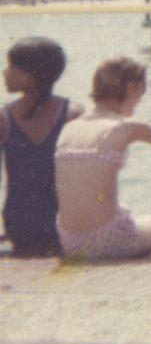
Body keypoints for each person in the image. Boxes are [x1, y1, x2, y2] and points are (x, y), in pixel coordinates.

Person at [55, 57, 151, 259]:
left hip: (70, 240)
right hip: (108, 240)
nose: (140, 100)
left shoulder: (69, 128)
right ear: (132, 88)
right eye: (142, 92)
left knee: (138, 218)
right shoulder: (122, 128)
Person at [0, 38, 82, 255]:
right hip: (64, 226)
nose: (4, 72)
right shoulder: (73, 113)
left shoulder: (4, 117)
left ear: (31, 76)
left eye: (11, 67)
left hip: (19, 227)